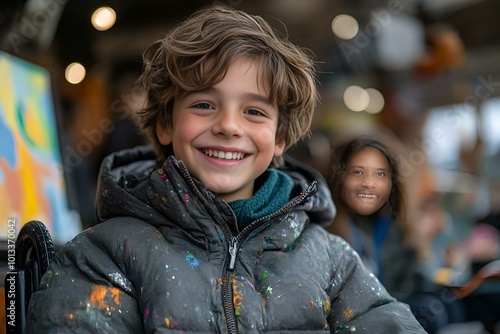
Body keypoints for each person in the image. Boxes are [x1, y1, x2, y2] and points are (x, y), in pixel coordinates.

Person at [26, 6, 426, 333]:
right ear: (165, 124)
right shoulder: (105, 254)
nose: (229, 126)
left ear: (280, 139)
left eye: (254, 111)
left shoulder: (329, 258)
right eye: (204, 105)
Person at [327, 136, 468, 333]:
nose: (369, 183)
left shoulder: (393, 224)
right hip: (357, 313)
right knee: (429, 310)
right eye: (358, 172)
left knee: (447, 300)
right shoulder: (329, 229)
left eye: (380, 174)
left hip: (391, 299)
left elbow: (411, 276)